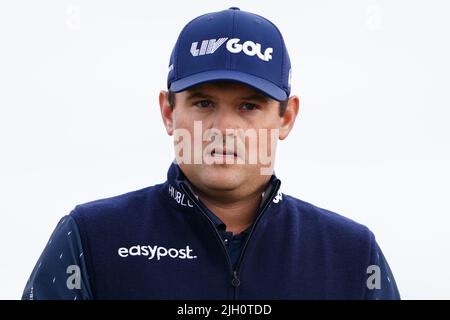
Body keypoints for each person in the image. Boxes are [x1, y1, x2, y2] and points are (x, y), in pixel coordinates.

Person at [22, 7, 400, 300]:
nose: (223, 127)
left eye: (249, 106)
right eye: (203, 102)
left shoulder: (350, 254)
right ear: (168, 112)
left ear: (286, 117)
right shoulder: (91, 238)